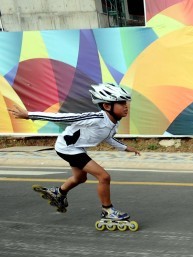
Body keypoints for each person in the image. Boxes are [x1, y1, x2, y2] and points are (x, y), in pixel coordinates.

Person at [8, 83, 141, 221]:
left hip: (77, 148)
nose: (126, 106)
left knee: (80, 178)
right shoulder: (95, 118)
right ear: (107, 106)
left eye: (126, 102)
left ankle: (58, 193)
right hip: (67, 148)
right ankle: (107, 211)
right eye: (121, 103)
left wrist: (125, 148)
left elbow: (108, 138)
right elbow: (62, 118)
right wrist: (29, 115)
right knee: (104, 177)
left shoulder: (113, 122)